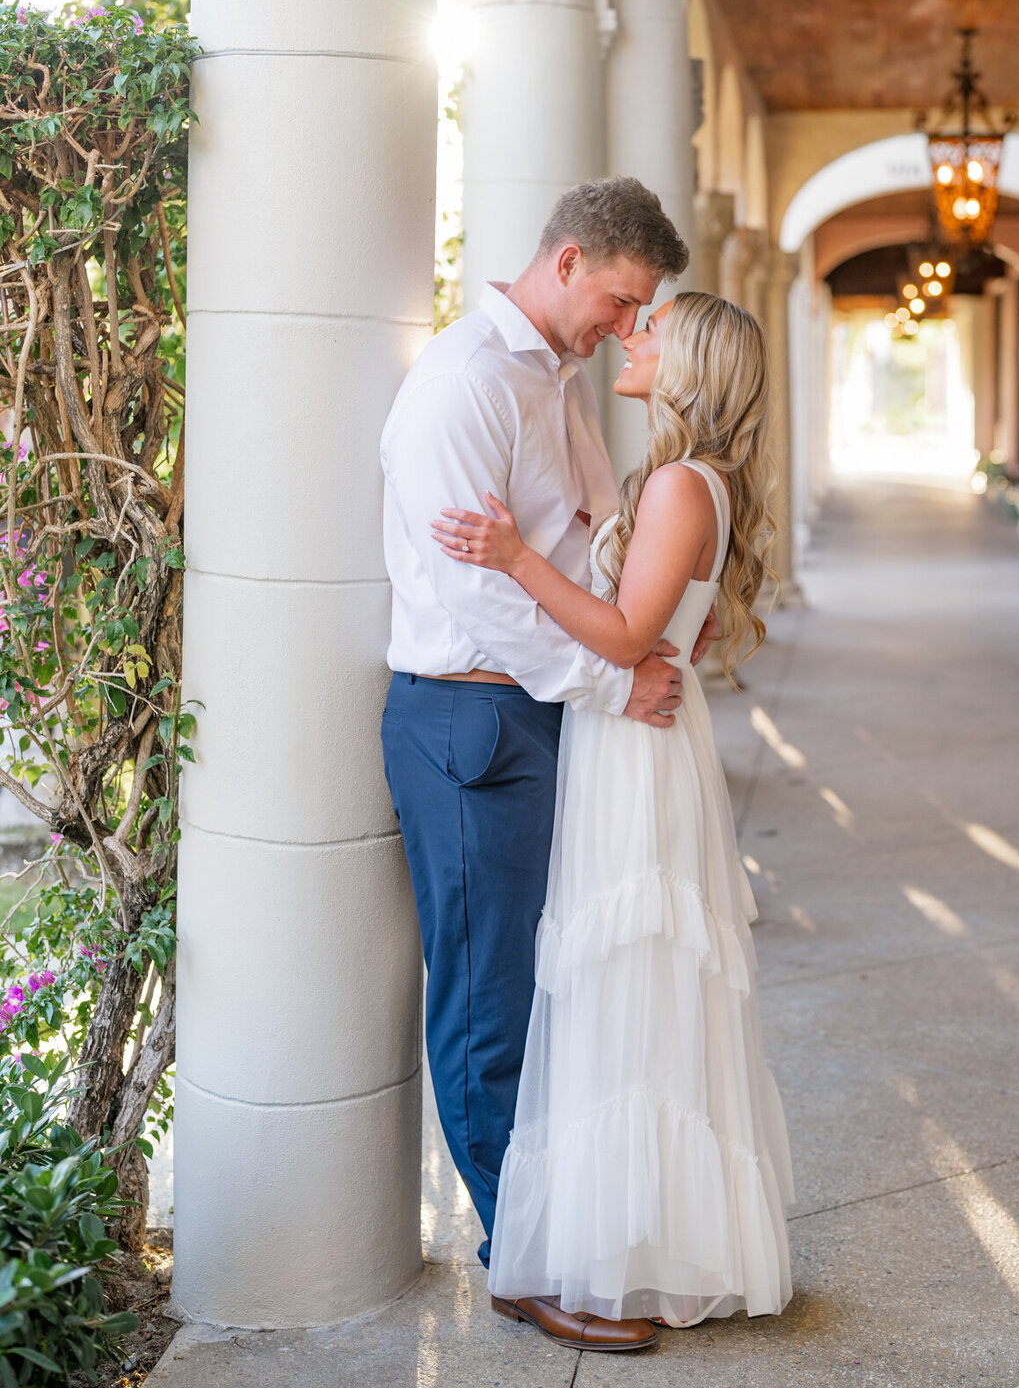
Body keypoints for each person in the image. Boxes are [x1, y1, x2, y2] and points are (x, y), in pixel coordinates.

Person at [380, 178, 706, 1357]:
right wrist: (618, 680)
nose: (627, 328)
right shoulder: (469, 383)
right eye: (620, 301)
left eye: (642, 314)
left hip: (541, 716)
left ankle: (561, 1234)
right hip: (472, 724)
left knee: (557, 991)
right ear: (567, 262)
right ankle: (518, 1266)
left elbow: (583, 546)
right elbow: (479, 592)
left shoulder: (549, 382)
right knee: (488, 1008)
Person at [432, 291, 794, 1336]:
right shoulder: (687, 481)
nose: (633, 337)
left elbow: (630, 637)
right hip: (635, 742)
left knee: (628, 982)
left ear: (690, 367)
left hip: (634, 747)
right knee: (627, 985)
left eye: (654, 330)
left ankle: (633, 1248)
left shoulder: (684, 484)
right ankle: (637, 1236)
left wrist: (515, 558)